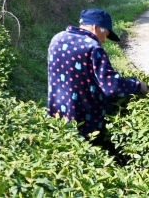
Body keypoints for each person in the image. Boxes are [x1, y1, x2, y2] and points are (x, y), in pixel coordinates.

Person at [47, 8, 148, 143]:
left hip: (57, 119)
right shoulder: (93, 48)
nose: (105, 40)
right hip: (85, 124)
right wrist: (136, 85)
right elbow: (113, 87)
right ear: (95, 27)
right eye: (106, 34)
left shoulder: (57, 39)